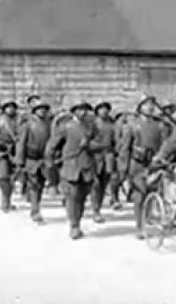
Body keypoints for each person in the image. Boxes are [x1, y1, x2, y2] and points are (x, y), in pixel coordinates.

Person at [117, 95, 168, 239]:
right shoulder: (132, 125)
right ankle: (140, 225)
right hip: (137, 164)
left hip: (155, 164)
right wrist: (123, 168)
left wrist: (162, 158)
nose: (150, 107)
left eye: (152, 105)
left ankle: (147, 217)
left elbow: (166, 143)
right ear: (139, 108)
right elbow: (125, 148)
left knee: (152, 193)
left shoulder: (160, 125)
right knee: (139, 195)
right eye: (146, 105)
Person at [46, 101, 98, 239]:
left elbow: (100, 143)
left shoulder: (91, 127)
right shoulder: (65, 126)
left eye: (85, 110)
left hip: (86, 165)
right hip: (70, 165)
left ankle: (78, 221)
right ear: (74, 111)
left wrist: (91, 145)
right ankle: (74, 225)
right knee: (72, 196)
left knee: (82, 197)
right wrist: (51, 160)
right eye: (79, 110)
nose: (82, 112)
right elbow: (53, 145)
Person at [15, 100, 52, 223]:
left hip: (44, 159)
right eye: (39, 108)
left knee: (40, 185)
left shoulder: (49, 124)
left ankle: (36, 207)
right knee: (34, 185)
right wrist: (20, 161)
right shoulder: (28, 125)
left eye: (44, 108)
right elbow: (21, 143)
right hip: (31, 159)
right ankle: (35, 211)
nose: (42, 110)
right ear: (34, 110)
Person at [0, 100, 20, 211]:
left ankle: (8, 200)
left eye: (12, 107)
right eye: (8, 107)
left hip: (16, 152)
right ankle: (5, 199)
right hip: (1, 151)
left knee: (11, 178)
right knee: (2, 177)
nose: (10, 109)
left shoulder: (19, 120)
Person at [88, 101, 117, 223]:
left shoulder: (112, 124)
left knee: (104, 184)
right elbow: (86, 140)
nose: (104, 111)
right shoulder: (92, 124)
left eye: (106, 108)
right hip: (95, 156)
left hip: (108, 157)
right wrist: (97, 145)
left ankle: (98, 207)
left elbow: (117, 140)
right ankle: (95, 209)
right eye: (101, 108)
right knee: (95, 184)